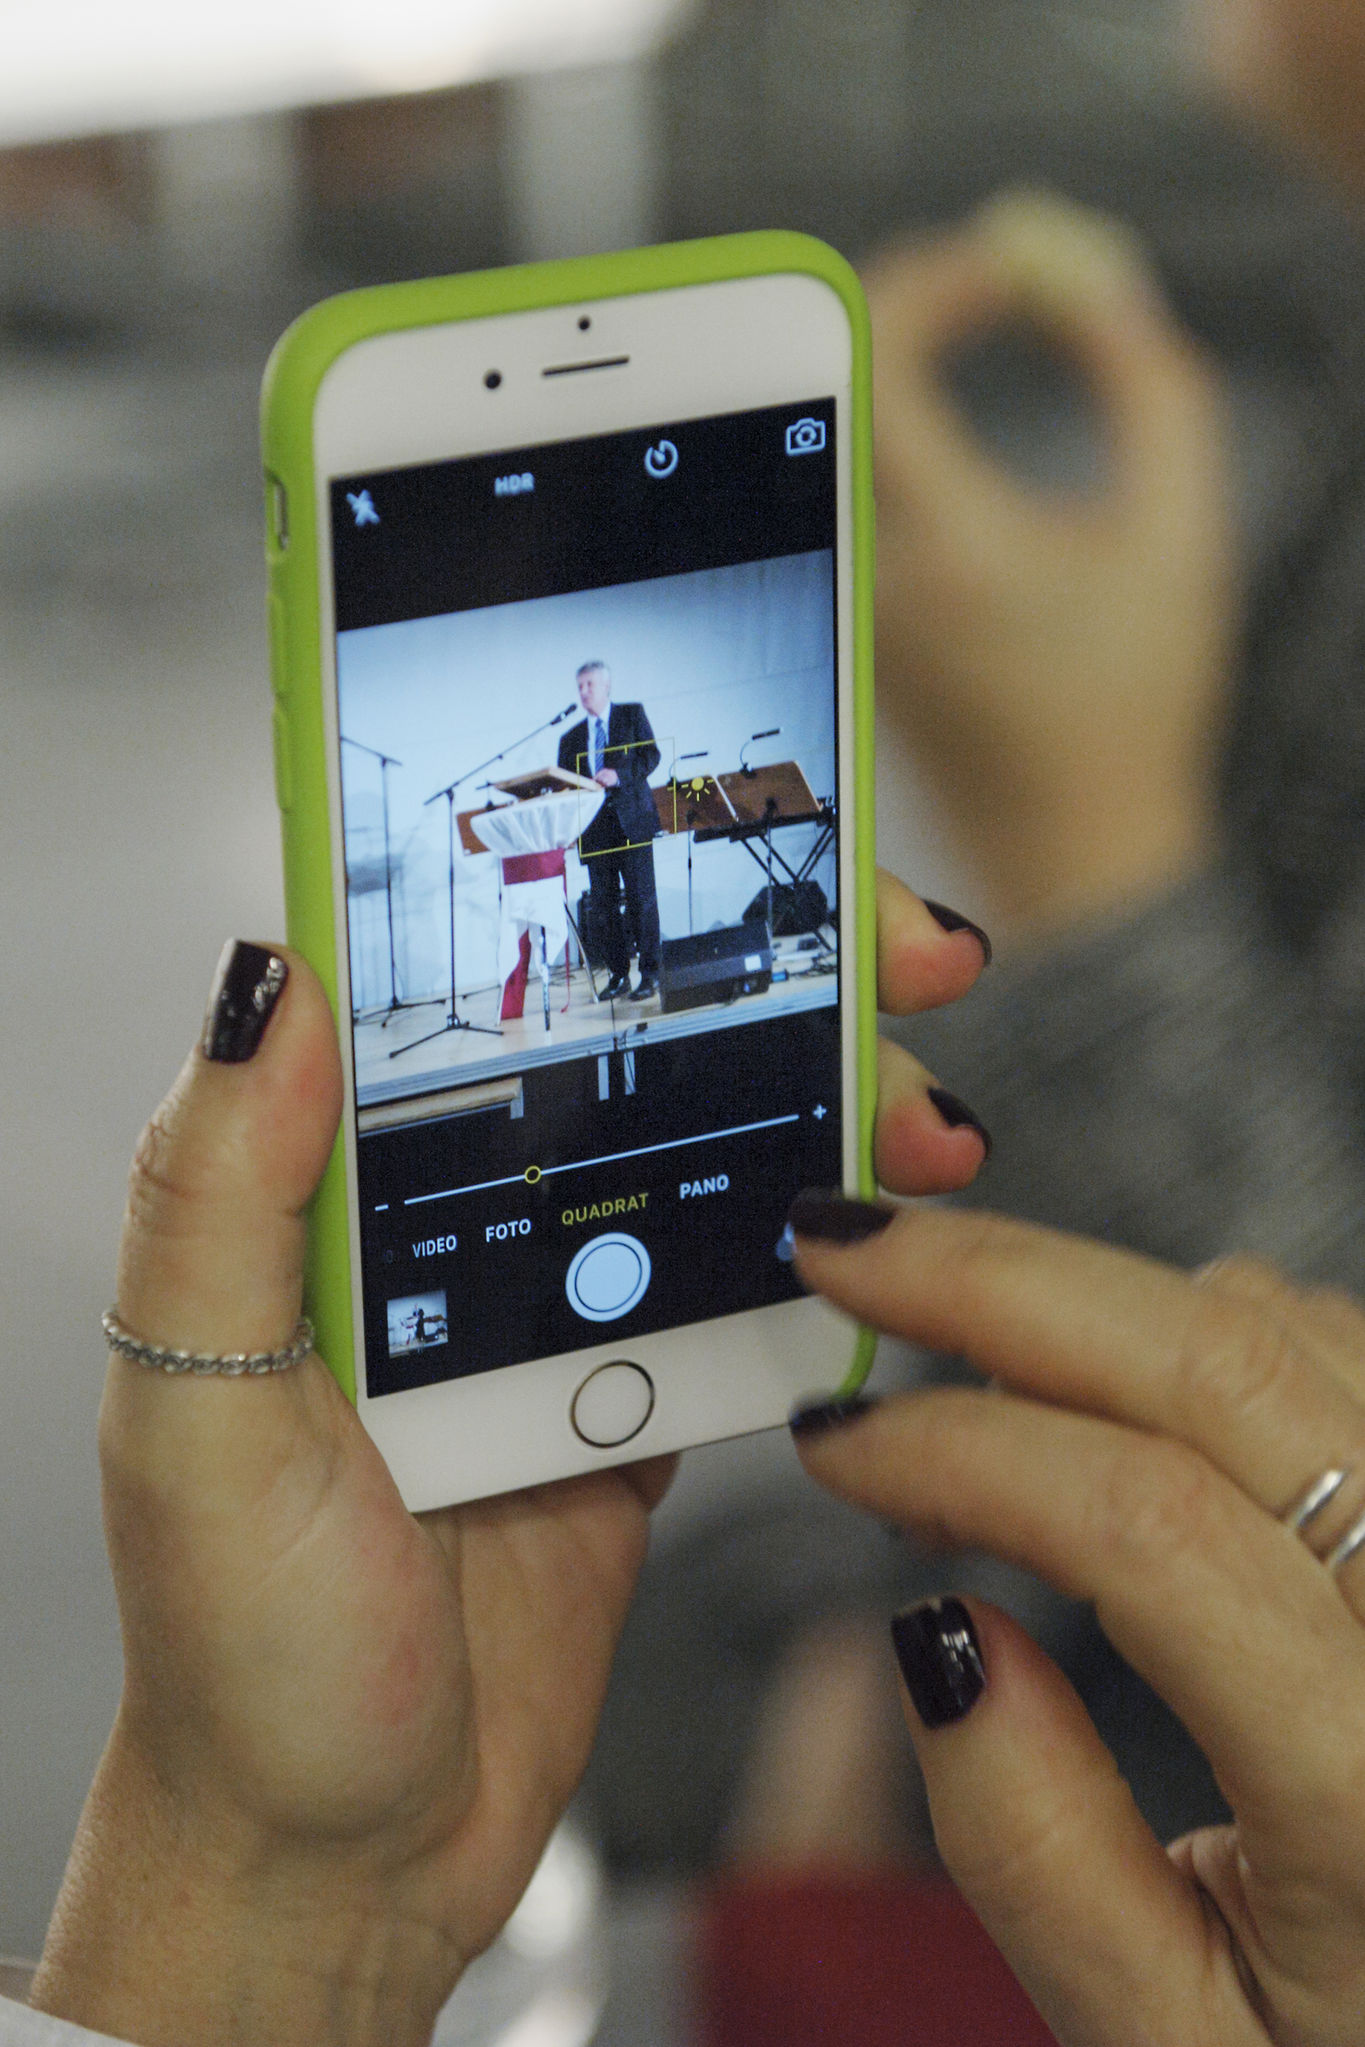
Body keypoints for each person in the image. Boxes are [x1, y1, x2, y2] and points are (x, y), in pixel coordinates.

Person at [557, 660, 662, 1003]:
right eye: (580, 686)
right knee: (602, 907)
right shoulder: (570, 738)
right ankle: (619, 975)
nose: (584, 692)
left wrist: (619, 775)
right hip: (595, 830)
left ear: (606, 687)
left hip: (632, 822)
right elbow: (564, 785)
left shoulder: (631, 715)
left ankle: (650, 975)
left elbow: (651, 755)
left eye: (589, 685)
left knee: (640, 900)